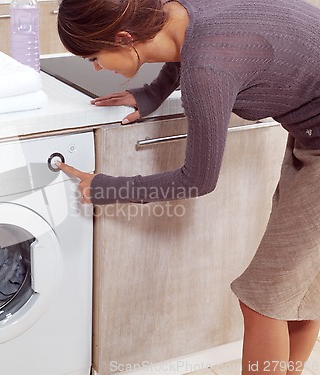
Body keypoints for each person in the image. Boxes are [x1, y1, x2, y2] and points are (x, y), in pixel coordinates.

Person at [55, 0, 320, 373]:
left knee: (264, 300)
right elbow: (189, 42)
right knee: (297, 291)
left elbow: (199, 179)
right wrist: (153, 92)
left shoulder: (207, 71)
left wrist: (108, 188)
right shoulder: (181, 10)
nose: (97, 67)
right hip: (311, 134)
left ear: (124, 37)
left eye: (93, 57)